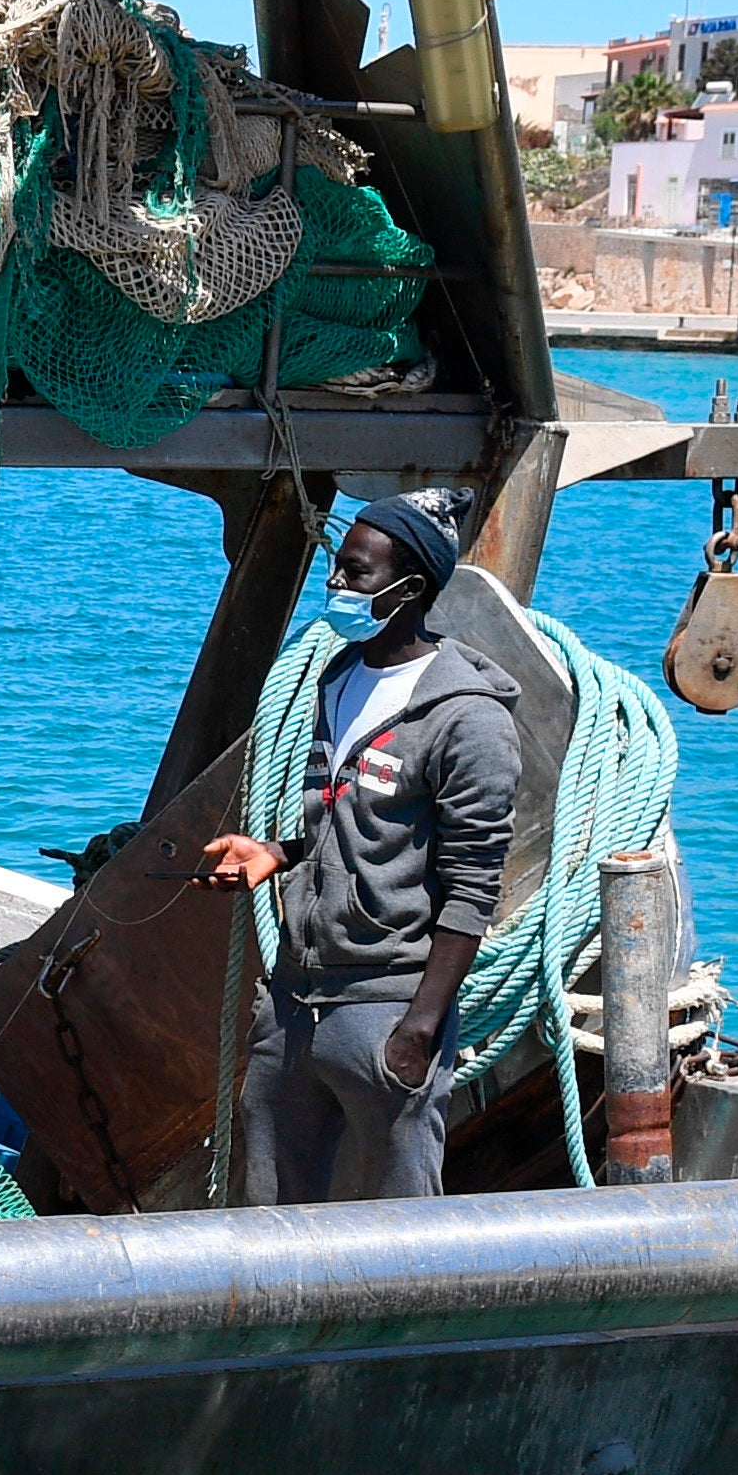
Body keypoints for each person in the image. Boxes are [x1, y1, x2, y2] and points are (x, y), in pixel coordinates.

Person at [201, 492, 520, 1204]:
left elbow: (473, 887)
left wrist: (419, 1030)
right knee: (267, 1197)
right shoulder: (339, 679)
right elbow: (342, 823)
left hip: (387, 1003)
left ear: (409, 590)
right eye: (336, 569)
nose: (336, 587)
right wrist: (278, 854)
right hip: (296, 994)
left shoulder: (468, 721)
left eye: (355, 573)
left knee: (401, 1211)